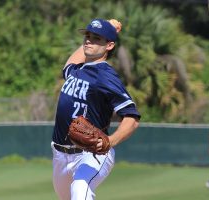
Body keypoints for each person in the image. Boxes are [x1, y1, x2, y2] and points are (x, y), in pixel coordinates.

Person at [51, 18, 141, 200]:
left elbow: (131, 117)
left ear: (109, 45)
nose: (89, 41)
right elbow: (68, 64)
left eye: (96, 38)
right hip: (60, 155)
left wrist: (110, 140)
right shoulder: (77, 70)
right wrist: (106, 24)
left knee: (80, 189)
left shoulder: (106, 77)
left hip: (91, 153)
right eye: (88, 36)